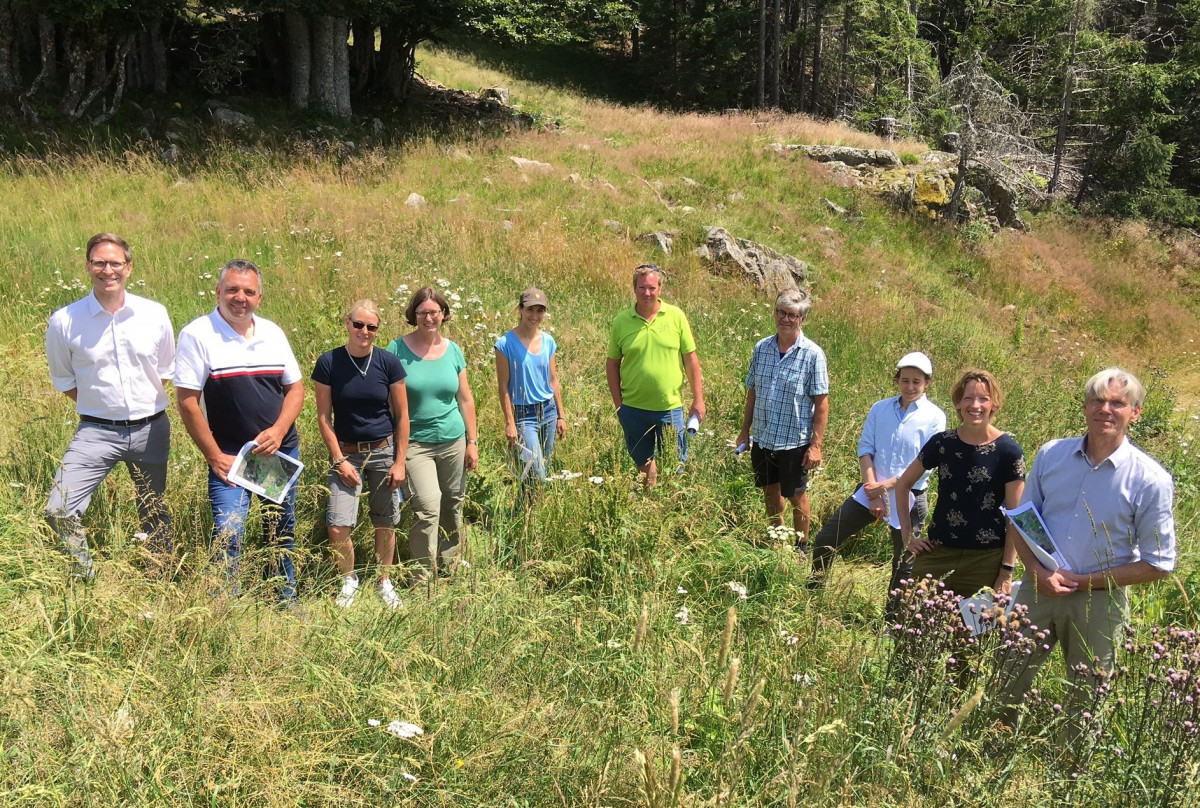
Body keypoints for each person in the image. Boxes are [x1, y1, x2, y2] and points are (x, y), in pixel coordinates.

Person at [998, 367, 1175, 721]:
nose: (1105, 409)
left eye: (1117, 403)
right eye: (1097, 400)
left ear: (1135, 413)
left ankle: (1072, 769)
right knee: (1007, 679)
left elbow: (1159, 563)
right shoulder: (1052, 455)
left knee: (1086, 699)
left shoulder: (1150, 479)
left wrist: (1081, 583)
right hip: (1037, 589)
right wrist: (1035, 573)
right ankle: (990, 755)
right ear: (1085, 406)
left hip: (1099, 603)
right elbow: (1022, 520)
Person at [44, 233, 175, 579]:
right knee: (59, 509)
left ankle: (158, 580)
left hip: (152, 429)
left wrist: (138, 407)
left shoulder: (154, 314)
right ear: (87, 266)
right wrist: (104, 407)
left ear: (128, 268)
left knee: (154, 509)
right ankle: (85, 578)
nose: (107, 270)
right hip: (96, 432)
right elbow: (65, 382)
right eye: (99, 262)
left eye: (115, 262)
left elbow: (162, 372)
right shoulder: (64, 321)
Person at [175, 259, 304, 602]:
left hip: (276, 453)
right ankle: (226, 609)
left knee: (280, 528)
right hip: (231, 457)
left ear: (260, 297)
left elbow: (295, 389)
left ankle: (283, 599)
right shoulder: (197, 334)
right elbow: (187, 401)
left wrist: (278, 431)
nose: (240, 298)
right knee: (228, 531)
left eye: (249, 291)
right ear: (217, 291)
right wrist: (214, 455)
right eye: (232, 289)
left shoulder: (273, 333)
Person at [810, 352, 946, 617]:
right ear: (897, 380)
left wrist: (885, 487)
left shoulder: (934, 417)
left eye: (916, 381)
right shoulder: (880, 408)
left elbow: (927, 462)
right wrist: (872, 488)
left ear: (927, 383)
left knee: (905, 560)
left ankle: (891, 620)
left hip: (909, 495)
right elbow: (866, 448)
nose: (909, 387)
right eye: (905, 380)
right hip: (870, 490)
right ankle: (814, 592)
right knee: (827, 538)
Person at [895, 369, 1025, 598]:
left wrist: (1006, 570)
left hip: (986, 560)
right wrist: (908, 537)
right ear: (957, 403)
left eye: (983, 398)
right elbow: (903, 484)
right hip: (939, 553)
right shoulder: (943, 443)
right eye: (968, 398)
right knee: (916, 624)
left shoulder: (1009, 452)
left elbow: (1016, 516)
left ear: (994, 404)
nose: (975, 405)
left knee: (974, 631)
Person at [314, 300, 409, 609]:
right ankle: (348, 579)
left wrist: (399, 462)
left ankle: (384, 581)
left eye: (371, 327)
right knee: (338, 524)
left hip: (383, 451)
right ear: (347, 323)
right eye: (358, 325)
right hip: (347, 454)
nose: (364, 332)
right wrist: (339, 460)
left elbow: (403, 415)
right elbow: (323, 418)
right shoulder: (329, 363)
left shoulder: (388, 363)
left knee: (385, 521)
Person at [386, 287, 478, 577]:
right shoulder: (396, 349)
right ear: (414, 315)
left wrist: (472, 442)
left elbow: (465, 398)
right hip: (415, 443)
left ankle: (451, 565)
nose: (428, 317)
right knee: (427, 506)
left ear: (444, 314)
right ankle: (423, 577)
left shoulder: (454, 350)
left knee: (452, 503)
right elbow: (388, 402)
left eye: (434, 312)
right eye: (422, 312)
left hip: (453, 440)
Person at [735, 287, 829, 552]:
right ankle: (776, 540)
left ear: (802, 319)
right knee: (769, 490)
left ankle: (801, 546)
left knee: (796, 494)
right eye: (781, 312)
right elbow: (752, 392)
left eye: (792, 315)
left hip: (794, 440)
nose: (785, 319)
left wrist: (815, 445)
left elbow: (821, 403)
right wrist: (745, 432)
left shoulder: (812, 355)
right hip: (764, 437)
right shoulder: (762, 348)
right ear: (774, 313)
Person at [606, 264, 705, 488]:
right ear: (634, 289)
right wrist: (619, 404)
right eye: (642, 288)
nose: (647, 293)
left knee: (676, 466)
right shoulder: (622, 321)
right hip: (633, 409)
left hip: (669, 408)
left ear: (660, 289)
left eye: (652, 287)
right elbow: (612, 364)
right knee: (644, 464)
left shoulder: (676, 316)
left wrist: (698, 398)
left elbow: (691, 360)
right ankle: (650, 506)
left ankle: (671, 508)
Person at [494, 288, 566, 482]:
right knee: (537, 471)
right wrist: (510, 422)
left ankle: (528, 508)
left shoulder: (548, 341)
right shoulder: (504, 344)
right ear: (520, 310)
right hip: (525, 416)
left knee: (540, 467)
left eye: (540, 311)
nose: (534, 316)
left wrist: (561, 415)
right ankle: (533, 503)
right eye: (530, 310)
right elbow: (503, 386)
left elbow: (553, 379)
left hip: (548, 411)